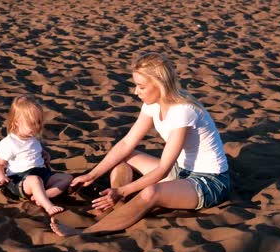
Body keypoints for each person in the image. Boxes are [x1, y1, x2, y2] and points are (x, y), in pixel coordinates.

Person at [51, 52, 230, 236]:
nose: (136, 92)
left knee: (151, 192)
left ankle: (87, 232)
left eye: (141, 86)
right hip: (180, 171)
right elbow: (127, 143)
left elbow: (163, 169)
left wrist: (121, 190)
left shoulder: (183, 110)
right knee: (122, 159)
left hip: (209, 181)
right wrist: (93, 174)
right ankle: (122, 210)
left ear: (160, 84)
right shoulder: (153, 104)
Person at [0, 95, 72, 216]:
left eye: (39, 122)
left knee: (67, 178)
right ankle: (48, 205)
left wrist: (45, 155)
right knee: (35, 180)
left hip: (41, 173)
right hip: (21, 179)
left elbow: (37, 150)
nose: (37, 127)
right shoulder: (9, 143)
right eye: (32, 123)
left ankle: (41, 196)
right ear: (17, 123)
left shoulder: (32, 137)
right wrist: (1, 178)